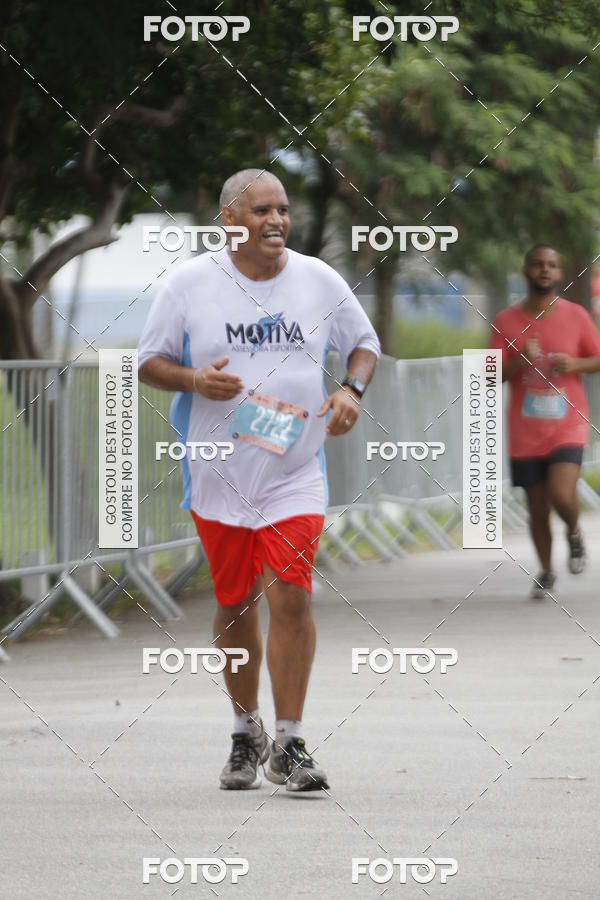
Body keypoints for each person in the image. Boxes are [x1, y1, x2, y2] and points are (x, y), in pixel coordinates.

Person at [138, 169, 380, 790]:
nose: (275, 221)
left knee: (292, 595)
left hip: (296, 468)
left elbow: (363, 344)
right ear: (229, 220)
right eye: (261, 210)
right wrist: (194, 380)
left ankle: (291, 743)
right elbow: (149, 363)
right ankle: (247, 732)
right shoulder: (190, 285)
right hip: (219, 470)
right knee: (234, 602)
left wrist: (351, 391)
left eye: (283, 210)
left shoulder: (318, 280)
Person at [490, 244, 600, 598]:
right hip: (525, 431)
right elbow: (488, 374)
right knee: (537, 506)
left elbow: (597, 358)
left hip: (568, 424)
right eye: (538, 264)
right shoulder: (506, 321)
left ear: (560, 273)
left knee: (560, 493)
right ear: (526, 270)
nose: (544, 270)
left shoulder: (577, 316)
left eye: (551, 265)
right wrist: (520, 360)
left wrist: (576, 364)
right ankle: (547, 571)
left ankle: (573, 530)